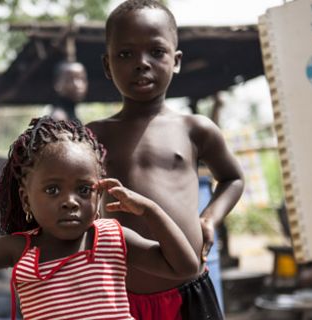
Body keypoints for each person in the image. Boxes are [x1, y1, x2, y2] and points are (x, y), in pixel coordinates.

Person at [0, 116, 199, 319]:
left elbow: (185, 267)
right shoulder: (20, 249)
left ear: (99, 195)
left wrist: (150, 210)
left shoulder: (111, 239)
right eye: (52, 190)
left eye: (84, 190)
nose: (70, 201)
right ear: (26, 198)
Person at [86, 0, 244, 319]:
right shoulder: (92, 136)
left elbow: (232, 178)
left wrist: (210, 218)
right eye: (126, 54)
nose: (141, 63)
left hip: (190, 290)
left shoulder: (195, 129)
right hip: (118, 295)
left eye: (156, 52)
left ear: (176, 60)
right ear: (107, 65)